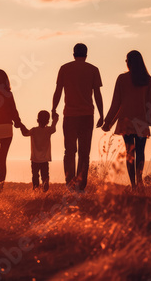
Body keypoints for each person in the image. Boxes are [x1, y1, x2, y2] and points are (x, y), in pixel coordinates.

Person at [52, 43, 104, 192]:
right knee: (84, 152)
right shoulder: (93, 70)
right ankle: (80, 185)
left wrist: (53, 108)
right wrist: (101, 114)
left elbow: (58, 91)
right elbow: (97, 94)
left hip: (70, 115)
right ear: (86, 54)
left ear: (73, 54)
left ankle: (70, 183)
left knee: (69, 151)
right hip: (87, 115)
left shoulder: (65, 68)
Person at [102, 50, 151, 190]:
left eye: (126, 60)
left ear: (130, 62)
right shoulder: (147, 79)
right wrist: (150, 120)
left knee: (129, 152)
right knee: (140, 151)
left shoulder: (122, 79)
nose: (126, 63)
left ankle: (133, 185)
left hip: (126, 121)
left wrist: (108, 121)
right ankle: (139, 180)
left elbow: (116, 103)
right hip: (141, 120)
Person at [20, 110, 59, 192]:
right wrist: (55, 115)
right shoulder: (49, 130)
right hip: (44, 160)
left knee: (35, 176)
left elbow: (24, 133)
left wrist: (20, 124)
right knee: (45, 176)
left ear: (37, 120)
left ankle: (36, 191)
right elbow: (55, 122)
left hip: (35, 160)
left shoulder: (34, 130)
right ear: (48, 121)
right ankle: (45, 191)